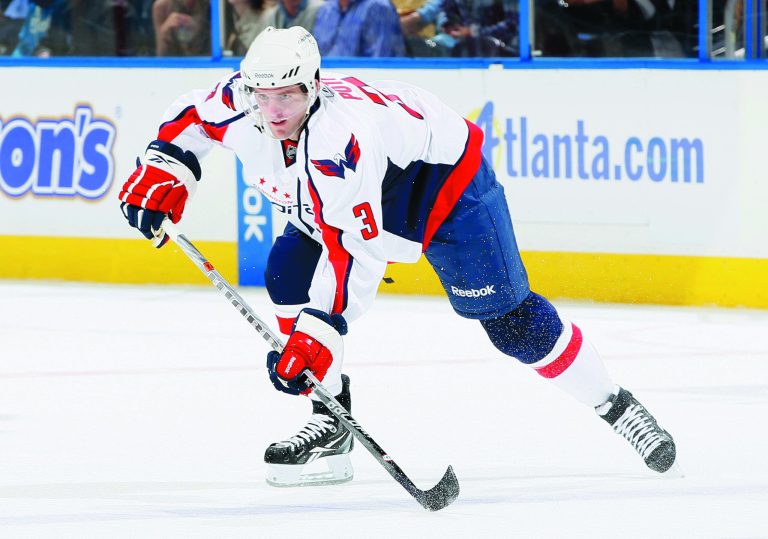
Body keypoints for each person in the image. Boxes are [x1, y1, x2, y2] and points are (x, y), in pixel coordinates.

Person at [118, 26, 677, 487]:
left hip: (442, 190)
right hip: (345, 198)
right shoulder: (240, 101)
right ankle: (330, 424)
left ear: (314, 86)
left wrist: (318, 334)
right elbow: (187, 122)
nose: (273, 108)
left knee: (510, 324)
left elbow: (356, 248)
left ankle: (617, 407)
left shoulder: (340, 141)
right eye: (262, 94)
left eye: (286, 95)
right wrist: (164, 170)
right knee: (287, 273)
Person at [312, 0, 406, 57]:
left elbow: (379, 65)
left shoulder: (378, 7)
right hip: (322, 82)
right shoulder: (327, 8)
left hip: (357, 85)